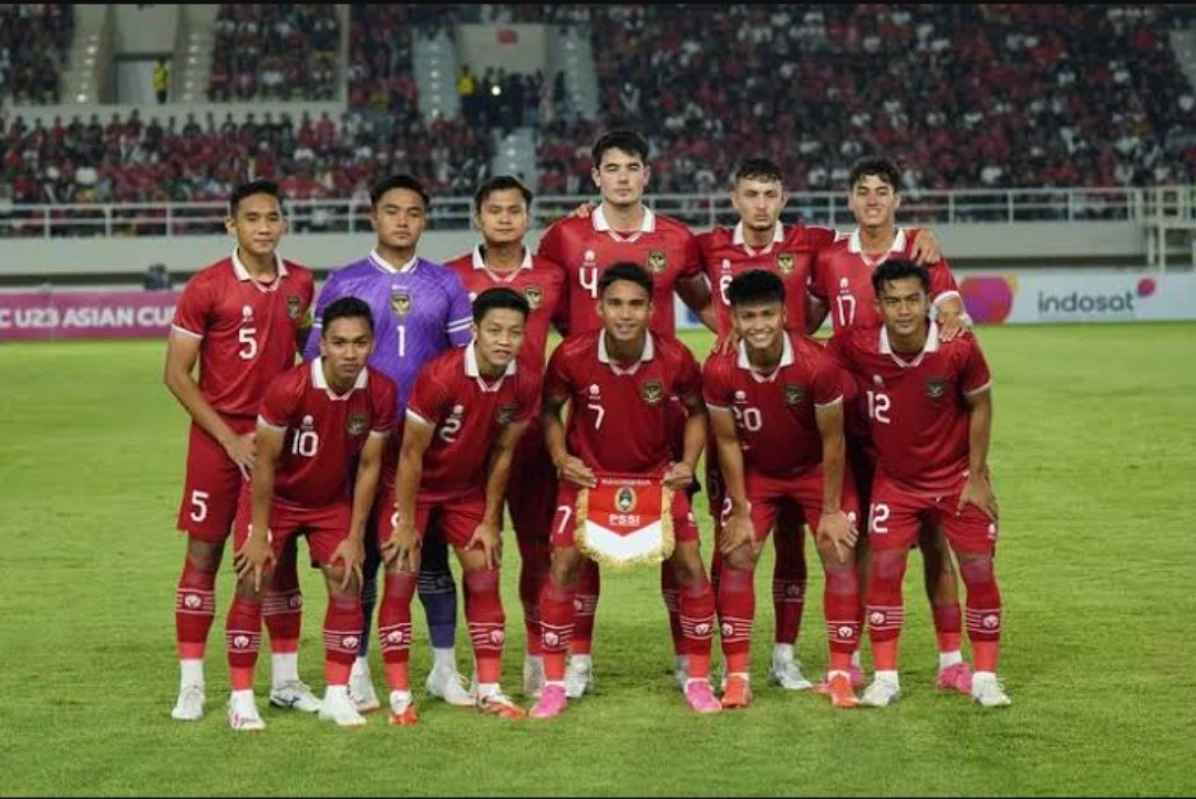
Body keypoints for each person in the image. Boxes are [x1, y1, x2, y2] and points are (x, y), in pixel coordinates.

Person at [536, 129, 717, 696]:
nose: (621, 177)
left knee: (677, 547)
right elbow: (543, 296)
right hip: (592, 405)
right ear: (594, 177)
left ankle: (692, 662)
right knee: (581, 542)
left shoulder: (676, 239)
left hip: (660, 406)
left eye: (631, 167)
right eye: (610, 168)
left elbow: (708, 301)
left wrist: (750, 345)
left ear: (646, 174)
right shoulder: (563, 236)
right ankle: (578, 662)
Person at [303, 174, 475, 712]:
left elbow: (464, 365)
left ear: (425, 220)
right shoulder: (343, 282)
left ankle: (444, 669)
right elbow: (315, 361)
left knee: (431, 558)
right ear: (373, 216)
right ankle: (355, 669)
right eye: (392, 211)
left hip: (428, 448)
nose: (403, 221)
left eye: (414, 213)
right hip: (357, 444)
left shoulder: (446, 284)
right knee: (364, 559)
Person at [810, 155, 975, 694]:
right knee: (862, 542)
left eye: (884, 191)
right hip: (852, 420)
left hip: (917, 425)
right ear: (851, 200)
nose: (874, 199)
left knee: (934, 539)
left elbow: (951, 314)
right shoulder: (830, 257)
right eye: (864, 191)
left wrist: (951, 315)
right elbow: (805, 317)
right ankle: (853, 658)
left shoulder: (922, 252)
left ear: (898, 200)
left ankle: (951, 660)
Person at [825, 259, 1010, 708]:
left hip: (956, 480)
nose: (904, 310)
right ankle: (886, 678)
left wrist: (978, 474)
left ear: (929, 301)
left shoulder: (957, 347)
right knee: (885, 573)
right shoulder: (856, 344)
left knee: (979, 573)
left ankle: (984, 676)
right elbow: (812, 361)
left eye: (913, 299)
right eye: (893, 301)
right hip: (897, 483)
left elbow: (980, 406)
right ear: (878, 305)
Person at [164, 179, 316, 722]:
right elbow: (176, 375)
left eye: (272, 218)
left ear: (284, 223)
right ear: (232, 225)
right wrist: (228, 439)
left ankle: (285, 680)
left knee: (277, 558)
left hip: (275, 443)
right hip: (217, 440)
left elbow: (308, 356)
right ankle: (191, 684)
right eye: (252, 219)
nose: (263, 227)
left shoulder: (300, 282)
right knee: (203, 554)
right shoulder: (207, 286)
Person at [225, 298, 396, 730]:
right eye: (339, 343)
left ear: (372, 344)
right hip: (275, 498)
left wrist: (356, 535)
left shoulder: (381, 391)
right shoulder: (289, 388)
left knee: (347, 577)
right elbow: (263, 463)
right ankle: (241, 699)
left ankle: (338, 695)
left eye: (359, 343)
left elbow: (371, 466)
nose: (349, 353)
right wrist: (259, 531)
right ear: (323, 344)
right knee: (252, 578)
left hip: (328, 501)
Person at [376, 288, 540, 725]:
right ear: (474, 331)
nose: (504, 340)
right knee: (400, 575)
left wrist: (491, 521)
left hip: (465, 491)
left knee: (485, 571)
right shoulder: (441, 376)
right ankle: (399, 698)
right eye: (494, 330)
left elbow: (503, 452)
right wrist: (407, 522)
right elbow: (410, 454)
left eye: (514, 333)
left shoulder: (524, 381)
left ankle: (489, 689)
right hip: (410, 486)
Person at [702, 270, 862, 709]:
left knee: (838, 548)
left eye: (767, 314)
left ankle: (840, 673)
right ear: (733, 320)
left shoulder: (818, 364)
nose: (759, 325)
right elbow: (728, 442)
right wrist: (738, 510)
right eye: (748, 316)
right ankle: (737, 675)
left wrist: (831, 509)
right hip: (760, 473)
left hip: (815, 470)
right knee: (738, 549)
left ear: (785, 314)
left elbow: (834, 440)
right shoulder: (718, 368)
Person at [444, 175, 567, 698]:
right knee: (480, 554)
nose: (504, 219)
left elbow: (581, 341)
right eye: (493, 210)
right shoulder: (450, 277)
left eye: (514, 210)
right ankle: (480, 663)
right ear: (477, 217)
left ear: (527, 217)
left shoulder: (551, 277)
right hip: (472, 440)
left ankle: (538, 659)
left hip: (535, 437)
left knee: (538, 551)